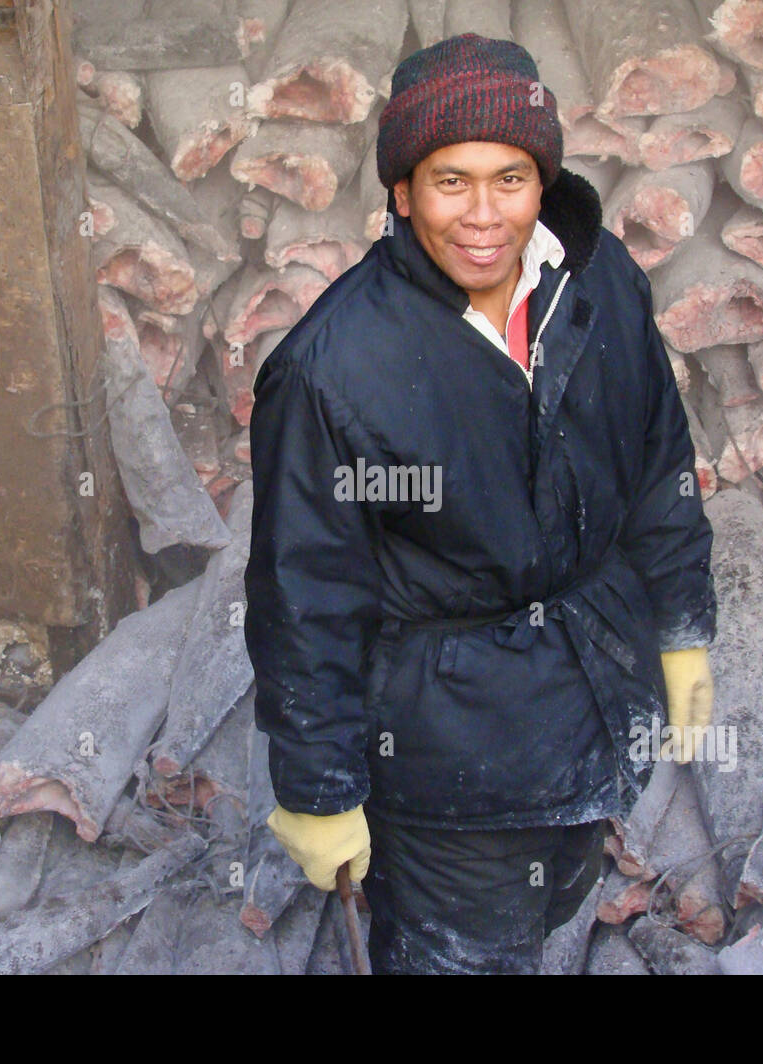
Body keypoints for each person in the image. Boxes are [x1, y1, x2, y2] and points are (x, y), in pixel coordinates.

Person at [242, 33, 716, 974]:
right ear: (402, 190)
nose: (484, 214)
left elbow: (660, 455)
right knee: (465, 956)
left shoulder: (600, 284)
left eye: (510, 178)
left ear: (543, 183)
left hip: (592, 689)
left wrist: (682, 625)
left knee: (555, 906)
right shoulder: (333, 370)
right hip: (444, 750)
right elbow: (307, 596)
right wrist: (320, 790)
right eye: (450, 181)